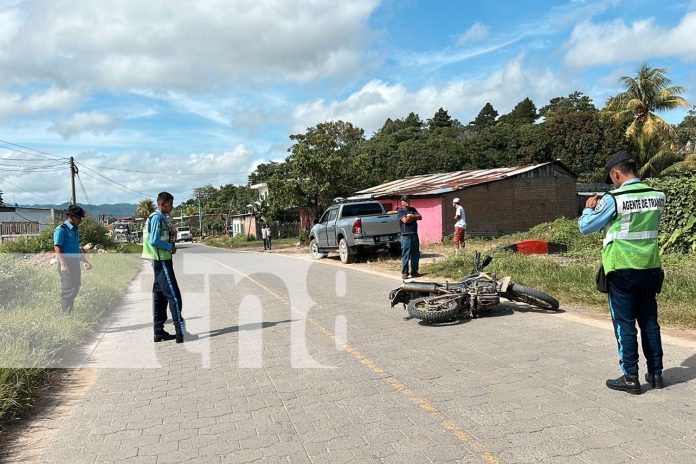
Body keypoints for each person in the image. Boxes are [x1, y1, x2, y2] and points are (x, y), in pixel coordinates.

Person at [578, 151, 666, 394]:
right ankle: (656, 373)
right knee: (649, 322)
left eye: (612, 177)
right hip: (650, 268)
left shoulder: (613, 199)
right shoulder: (658, 196)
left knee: (625, 323)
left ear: (616, 173)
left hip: (621, 270)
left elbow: (585, 227)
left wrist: (588, 209)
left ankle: (630, 377)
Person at [141, 192, 186, 343]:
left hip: (160, 260)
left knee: (159, 297)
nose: (172, 207)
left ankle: (159, 332)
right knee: (174, 295)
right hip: (162, 261)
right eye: (171, 204)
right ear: (164, 203)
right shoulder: (156, 218)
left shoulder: (161, 218)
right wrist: (169, 247)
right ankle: (180, 331)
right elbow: (154, 240)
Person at [53, 205, 92, 314]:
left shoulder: (75, 230)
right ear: (72, 217)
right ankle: (65, 315)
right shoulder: (61, 229)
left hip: (75, 263)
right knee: (68, 289)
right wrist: (63, 264)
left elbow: (76, 249)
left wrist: (86, 261)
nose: (80, 221)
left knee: (75, 288)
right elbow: (57, 248)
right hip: (66, 263)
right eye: (79, 218)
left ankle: (69, 311)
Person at [396, 195, 422, 280]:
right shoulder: (400, 211)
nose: (407, 202)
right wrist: (411, 217)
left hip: (414, 234)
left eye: (408, 200)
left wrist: (412, 216)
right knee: (406, 255)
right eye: (405, 200)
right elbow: (405, 221)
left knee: (415, 254)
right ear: (402, 202)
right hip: (405, 236)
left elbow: (420, 217)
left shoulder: (413, 209)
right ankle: (405, 272)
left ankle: (414, 272)